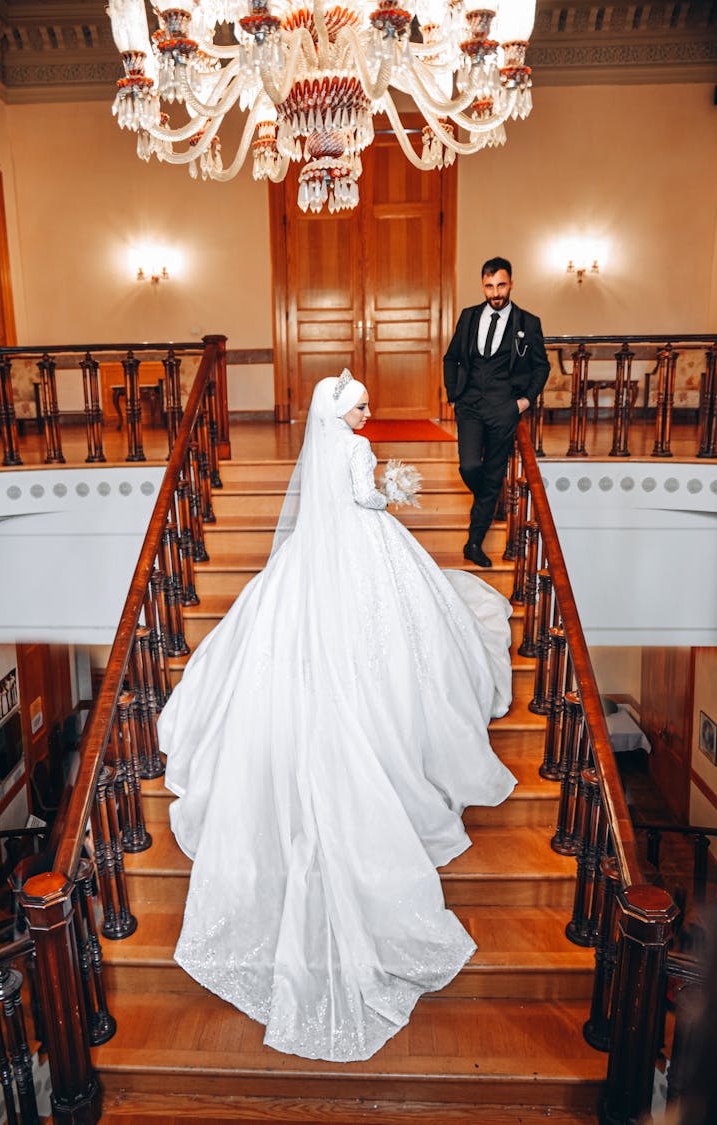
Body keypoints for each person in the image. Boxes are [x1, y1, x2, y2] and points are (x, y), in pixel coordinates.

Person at [158, 371, 517, 1063]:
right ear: (342, 413)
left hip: (320, 559)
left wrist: (385, 485)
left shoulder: (326, 441)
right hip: (366, 551)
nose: (368, 412)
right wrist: (391, 490)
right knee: (407, 644)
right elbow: (363, 499)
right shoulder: (352, 450)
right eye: (361, 406)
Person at [444, 256, 550, 568]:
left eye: (501, 285)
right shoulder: (468, 316)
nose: (495, 292)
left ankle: (473, 543)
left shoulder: (528, 323)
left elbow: (541, 366)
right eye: (489, 286)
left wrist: (525, 401)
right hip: (470, 405)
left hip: (505, 407)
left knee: (492, 470)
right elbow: (451, 358)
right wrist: (453, 395)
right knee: (469, 467)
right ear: (483, 285)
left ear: (511, 283)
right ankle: (492, 496)